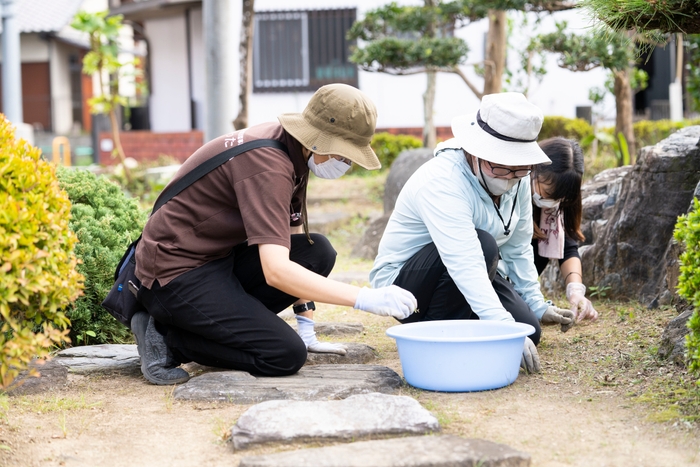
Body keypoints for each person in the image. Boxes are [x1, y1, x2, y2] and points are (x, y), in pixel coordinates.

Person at [131, 83, 417, 385]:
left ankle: (214, 323)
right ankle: (167, 338)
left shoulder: (294, 150)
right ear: (319, 141)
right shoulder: (268, 165)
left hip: (216, 259)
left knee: (316, 250)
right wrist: (365, 298)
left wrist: (307, 327)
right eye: (344, 156)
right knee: (283, 354)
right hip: (174, 272)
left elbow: (290, 244)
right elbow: (276, 270)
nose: (345, 164)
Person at [370, 92, 575, 374]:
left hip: (473, 268)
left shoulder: (518, 180)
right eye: (502, 166)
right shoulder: (442, 181)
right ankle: (438, 335)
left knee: (529, 331)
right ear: (475, 151)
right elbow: (464, 260)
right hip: (407, 285)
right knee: (484, 245)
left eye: (519, 169)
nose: (510, 177)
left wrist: (536, 303)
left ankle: (468, 325)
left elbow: (518, 248)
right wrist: (501, 325)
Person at [531, 137, 598, 322]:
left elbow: (568, 248)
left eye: (559, 198)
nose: (550, 201)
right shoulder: (512, 194)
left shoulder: (558, 204)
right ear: (534, 169)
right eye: (547, 191)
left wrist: (576, 291)